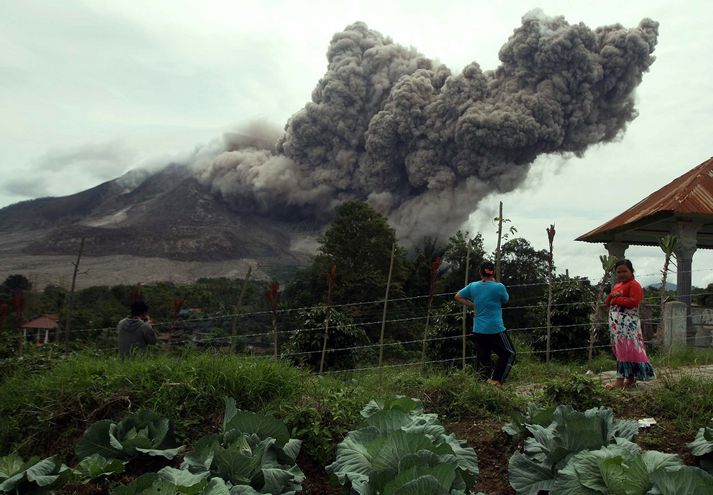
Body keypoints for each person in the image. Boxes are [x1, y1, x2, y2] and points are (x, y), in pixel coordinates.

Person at [455, 261, 514, 386]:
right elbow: (505, 300)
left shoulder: (473, 286)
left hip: (478, 330)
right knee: (509, 354)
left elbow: (458, 296)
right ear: (493, 272)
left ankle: (482, 384)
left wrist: (472, 305)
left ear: (480, 272)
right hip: (495, 329)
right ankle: (497, 381)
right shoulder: (499, 287)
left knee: (483, 359)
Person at [604, 259, 655, 389]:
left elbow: (634, 301)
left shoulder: (634, 285)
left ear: (631, 271)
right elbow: (607, 302)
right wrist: (612, 296)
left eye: (624, 271)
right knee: (621, 350)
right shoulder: (617, 286)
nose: (621, 274)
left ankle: (619, 381)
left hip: (628, 325)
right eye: (618, 272)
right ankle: (630, 379)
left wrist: (616, 299)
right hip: (617, 325)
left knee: (625, 350)